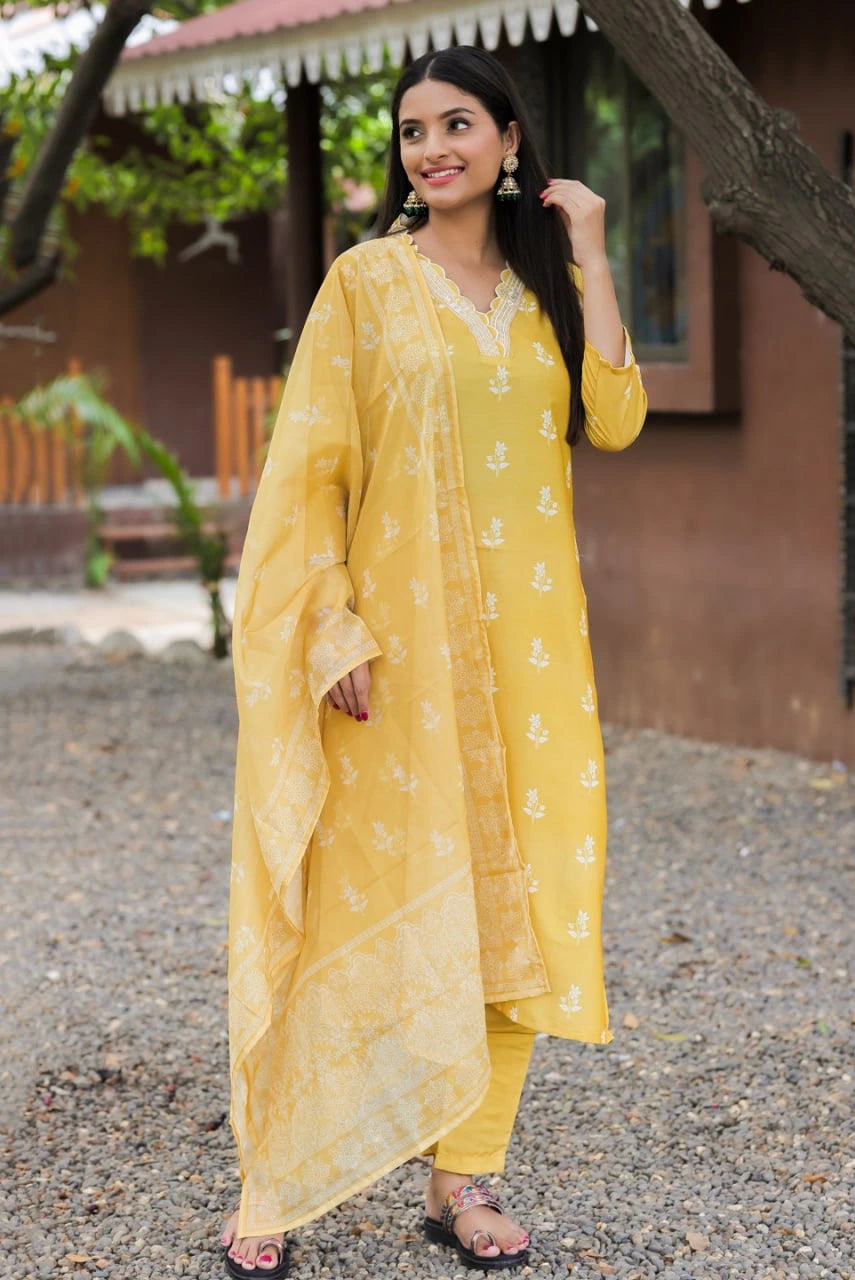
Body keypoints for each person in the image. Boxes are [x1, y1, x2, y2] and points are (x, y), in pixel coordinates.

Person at [219, 43, 647, 1278]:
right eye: (413, 132)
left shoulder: (545, 290)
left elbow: (612, 417)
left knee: (517, 896)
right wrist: (330, 624)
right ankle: (277, 1178)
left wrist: (595, 257)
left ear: (512, 143)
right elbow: (309, 475)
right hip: (394, 659)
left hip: (532, 654)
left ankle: (466, 1176)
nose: (434, 148)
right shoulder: (364, 284)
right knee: (346, 897)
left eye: (459, 124)